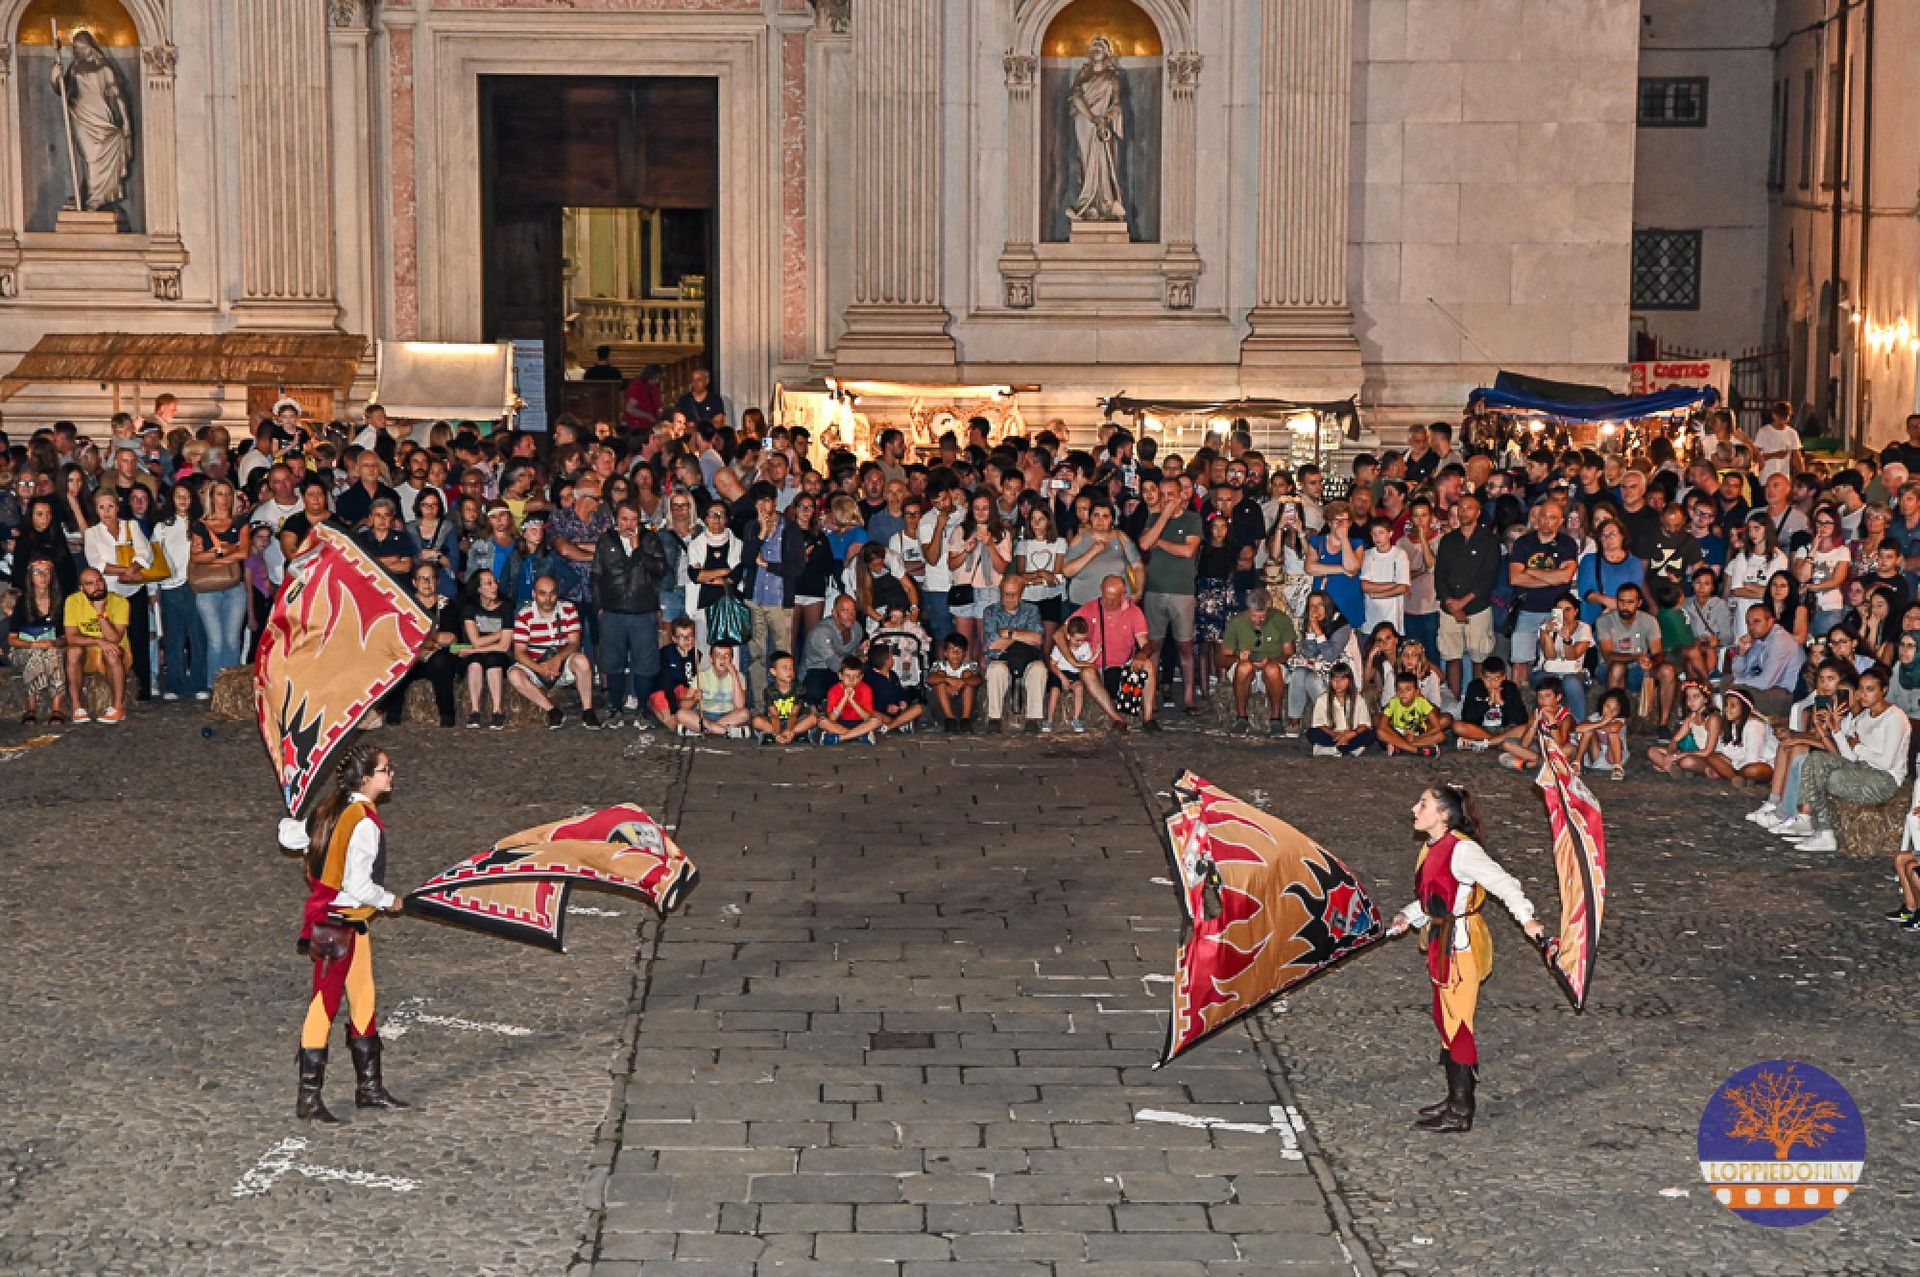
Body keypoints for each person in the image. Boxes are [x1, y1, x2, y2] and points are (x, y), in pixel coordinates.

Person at [1385, 784, 1547, 1134]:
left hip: (1460, 946)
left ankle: (1461, 1109)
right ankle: (1454, 1098)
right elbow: (1438, 898)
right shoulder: (1432, 847)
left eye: (1423, 804)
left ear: (1444, 815)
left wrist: (1528, 920)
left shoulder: (1463, 851)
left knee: (1458, 1024)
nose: (1415, 809)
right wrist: (1408, 916)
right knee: (1446, 1018)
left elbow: (1505, 884)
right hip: (1443, 940)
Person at [277, 744, 408, 1123]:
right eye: (385, 770)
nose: (390, 775)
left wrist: (297, 816)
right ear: (366, 779)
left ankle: (369, 1088)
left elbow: (290, 838)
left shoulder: (329, 809)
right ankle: (309, 1098)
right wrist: (390, 900)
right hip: (340, 923)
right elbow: (359, 885)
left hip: (345, 924)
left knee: (364, 998)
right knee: (324, 1005)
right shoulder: (362, 822)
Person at [1774, 665, 1910, 852]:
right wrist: (1836, 730)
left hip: (1885, 779)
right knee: (1815, 760)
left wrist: (1858, 747)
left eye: (1870, 690)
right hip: (1861, 768)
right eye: (1861, 689)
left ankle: (1820, 829)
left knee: (1831, 777)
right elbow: (1849, 757)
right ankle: (1815, 825)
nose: (1863, 695)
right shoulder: (1863, 718)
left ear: (1883, 691)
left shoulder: (1894, 717)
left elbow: (1886, 762)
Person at [592, 503, 670, 725]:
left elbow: (661, 569)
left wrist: (639, 550)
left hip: (642, 610)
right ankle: (616, 707)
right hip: (612, 611)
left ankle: (642, 709)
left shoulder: (650, 539)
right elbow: (597, 575)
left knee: (645, 663)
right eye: (624, 519)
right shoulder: (606, 540)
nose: (628, 524)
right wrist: (598, 607)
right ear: (616, 519)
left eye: (633, 519)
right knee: (613, 662)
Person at [1137, 479, 1203, 714]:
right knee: (1154, 645)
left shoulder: (1193, 519)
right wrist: (1163, 516)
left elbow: (1188, 551)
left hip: (1182, 592)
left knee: (1184, 646)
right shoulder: (1154, 519)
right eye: (1162, 494)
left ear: (1181, 495)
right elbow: (1145, 543)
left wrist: (1160, 541)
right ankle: (1150, 697)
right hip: (1155, 590)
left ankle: (1188, 698)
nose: (1167, 498)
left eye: (1171, 494)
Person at [83, 487, 154, 702]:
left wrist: (134, 567)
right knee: (114, 641)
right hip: (110, 593)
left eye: (110, 506)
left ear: (118, 506)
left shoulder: (130, 525)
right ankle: (116, 690)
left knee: (139, 639)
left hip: (134, 590)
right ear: (96, 509)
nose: (106, 511)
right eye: (101, 507)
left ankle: (143, 689)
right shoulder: (92, 533)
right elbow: (96, 563)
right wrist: (125, 570)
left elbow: (146, 552)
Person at [507, 575, 599, 729]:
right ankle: (552, 711)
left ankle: (588, 710)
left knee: (582, 661)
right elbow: (520, 651)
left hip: (563, 662)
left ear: (558, 593)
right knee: (514, 675)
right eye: (542, 593)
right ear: (534, 594)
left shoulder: (568, 609)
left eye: (552, 593)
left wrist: (557, 660)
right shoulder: (524, 614)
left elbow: (574, 642)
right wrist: (540, 669)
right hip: (537, 665)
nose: (548, 598)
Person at [1070, 573, 1160, 731]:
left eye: (1113, 598)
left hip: (1124, 668)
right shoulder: (1089, 608)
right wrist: (1073, 661)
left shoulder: (1134, 612)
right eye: (1105, 597)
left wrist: (1142, 654)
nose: (1108, 602)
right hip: (1099, 669)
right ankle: (1117, 719)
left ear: (1123, 595)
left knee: (1148, 665)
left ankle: (1148, 718)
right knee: (1086, 673)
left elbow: (1147, 645)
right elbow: (1059, 633)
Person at [1506, 500, 1580, 687]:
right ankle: (1520, 700)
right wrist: (1551, 577)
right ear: (1537, 519)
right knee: (1519, 661)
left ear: (1560, 521)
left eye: (1553, 517)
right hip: (1526, 609)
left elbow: (1565, 578)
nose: (1548, 521)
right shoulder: (1523, 542)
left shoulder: (1567, 544)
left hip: (1555, 611)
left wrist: (1530, 571)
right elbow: (1515, 578)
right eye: (1544, 516)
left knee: (1555, 660)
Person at [191, 478, 252, 680]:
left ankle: (230, 686)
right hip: (208, 589)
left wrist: (212, 558)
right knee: (215, 641)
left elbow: (244, 553)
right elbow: (196, 558)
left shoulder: (241, 522)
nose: (224, 499)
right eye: (220, 494)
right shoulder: (200, 525)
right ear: (212, 497)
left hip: (235, 586)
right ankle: (215, 683)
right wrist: (223, 552)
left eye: (228, 494)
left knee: (232, 640)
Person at [1220, 587, 1295, 737]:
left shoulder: (1281, 619)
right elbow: (1222, 657)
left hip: (1273, 667)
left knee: (1272, 669)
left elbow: (1289, 653)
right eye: (1254, 616)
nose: (1258, 621)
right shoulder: (1237, 622)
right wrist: (1238, 656)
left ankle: (1276, 720)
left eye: (1262, 617)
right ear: (1249, 610)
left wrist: (1271, 660)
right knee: (1244, 667)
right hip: (1246, 670)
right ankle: (1241, 718)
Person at [62, 566, 129, 723]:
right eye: (90, 583)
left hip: (115, 649)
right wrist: (98, 640)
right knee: (73, 652)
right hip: (88, 649)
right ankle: (77, 708)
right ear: (81, 588)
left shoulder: (120, 602)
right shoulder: (73, 601)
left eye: (99, 582)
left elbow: (114, 639)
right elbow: (71, 637)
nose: (97, 587)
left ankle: (118, 708)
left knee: (111, 653)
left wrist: (101, 614)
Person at [980, 577, 1047, 732]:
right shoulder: (990, 611)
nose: (1009, 598)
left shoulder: (1031, 610)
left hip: (1028, 660)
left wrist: (1007, 634)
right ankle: (994, 718)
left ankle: (1033, 718)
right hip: (1001, 660)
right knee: (996, 670)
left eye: (1013, 594)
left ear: (1021, 593)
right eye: (1006, 594)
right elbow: (992, 644)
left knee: (1039, 669)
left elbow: (1037, 639)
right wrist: (1022, 638)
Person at [9, 557, 68, 723]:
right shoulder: (23, 603)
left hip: (51, 648)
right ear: (30, 577)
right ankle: (31, 706)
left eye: (46, 572)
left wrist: (55, 643)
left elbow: (65, 637)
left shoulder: (59, 602)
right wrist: (34, 644)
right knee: (37, 653)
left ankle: (57, 707)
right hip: (24, 649)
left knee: (52, 652)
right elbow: (12, 639)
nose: (42, 576)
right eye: (37, 572)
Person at [1723, 602, 1806, 719]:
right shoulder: (1759, 639)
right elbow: (1739, 673)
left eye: (1756, 622)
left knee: (1734, 691)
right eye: (1748, 623)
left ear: (1770, 621)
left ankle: (1736, 728)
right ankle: (1733, 728)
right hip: (1771, 688)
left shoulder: (1780, 641)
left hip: (1786, 695)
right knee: (1727, 682)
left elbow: (1765, 682)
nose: (1751, 627)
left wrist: (1738, 681)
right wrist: (1741, 653)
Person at [458, 569, 515, 729]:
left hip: (498, 654)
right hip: (479, 652)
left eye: (495, 582)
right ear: (478, 589)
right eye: (488, 583)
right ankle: (475, 711)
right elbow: (475, 641)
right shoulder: (470, 608)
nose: (494, 586)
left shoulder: (506, 607)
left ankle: (497, 711)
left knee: (493, 661)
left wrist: (473, 649)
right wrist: (499, 634)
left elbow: (504, 646)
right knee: (474, 664)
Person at [1451, 656, 1527, 752]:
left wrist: (1502, 703)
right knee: (1456, 726)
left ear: (1503, 677)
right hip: (1481, 730)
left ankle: (1487, 742)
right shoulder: (1474, 686)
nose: (1492, 683)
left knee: (1526, 728)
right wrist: (1487, 704)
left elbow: (1522, 719)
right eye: (1488, 678)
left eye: (1496, 679)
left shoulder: (1510, 688)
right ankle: (1497, 742)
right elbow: (1467, 718)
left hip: (1506, 729)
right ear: (1482, 676)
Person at [801, 594, 866, 705]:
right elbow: (834, 664)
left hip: (844, 667)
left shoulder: (857, 628)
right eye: (845, 611)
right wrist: (855, 668)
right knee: (816, 691)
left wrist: (862, 653)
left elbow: (855, 653)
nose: (850, 615)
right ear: (835, 613)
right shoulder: (821, 632)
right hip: (818, 668)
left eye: (853, 611)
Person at [1376, 671, 1449, 757]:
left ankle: (1400, 747)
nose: (1403, 693)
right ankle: (1416, 750)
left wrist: (1416, 737)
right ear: (1396, 691)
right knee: (1380, 732)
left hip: (1418, 734)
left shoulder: (1422, 702)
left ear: (1416, 691)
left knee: (1441, 736)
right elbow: (1383, 726)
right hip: (1399, 734)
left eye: (1408, 689)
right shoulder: (1393, 702)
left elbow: (1437, 727)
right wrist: (1403, 737)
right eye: (1399, 690)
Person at [752, 651, 817, 745]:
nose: (789, 671)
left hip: (795, 722)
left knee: (813, 719)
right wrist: (777, 734)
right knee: (756, 721)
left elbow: (794, 714)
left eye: (791, 668)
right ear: (773, 672)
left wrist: (789, 732)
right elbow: (774, 716)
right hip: (775, 722)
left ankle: (785, 735)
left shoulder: (799, 689)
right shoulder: (769, 691)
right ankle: (783, 736)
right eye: (785, 668)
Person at [926, 633, 984, 731]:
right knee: (939, 677)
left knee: (968, 677)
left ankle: (965, 721)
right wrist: (948, 680)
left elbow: (978, 680)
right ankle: (950, 720)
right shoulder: (939, 665)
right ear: (945, 653)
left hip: (966, 709)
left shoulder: (971, 665)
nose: (955, 654)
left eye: (959, 650)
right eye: (952, 649)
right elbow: (929, 679)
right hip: (942, 711)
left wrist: (962, 682)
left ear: (964, 653)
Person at [819, 655, 883, 744]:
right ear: (840, 676)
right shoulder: (833, 690)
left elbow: (867, 717)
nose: (851, 680)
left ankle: (840, 738)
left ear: (861, 677)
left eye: (855, 676)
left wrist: (852, 701)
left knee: (876, 721)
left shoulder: (866, 689)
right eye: (847, 676)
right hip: (840, 723)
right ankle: (860, 736)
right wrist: (844, 698)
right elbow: (832, 718)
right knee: (823, 722)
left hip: (860, 723)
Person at [863, 642, 924, 734]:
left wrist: (903, 701)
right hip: (882, 714)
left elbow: (901, 692)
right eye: (891, 657)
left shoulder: (893, 675)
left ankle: (889, 727)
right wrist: (886, 708)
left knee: (918, 708)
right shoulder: (869, 679)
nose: (893, 659)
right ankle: (898, 724)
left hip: (898, 713)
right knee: (872, 713)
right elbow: (868, 703)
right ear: (886, 661)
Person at [693, 640, 750, 736]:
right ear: (711, 659)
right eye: (718, 655)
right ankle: (725, 731)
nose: (722, 659)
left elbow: (740, 706)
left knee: (745, 713)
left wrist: (734, 675)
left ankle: (706, 729)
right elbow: (684, 705)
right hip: (705, 714)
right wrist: (694, 698)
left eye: (726, 656)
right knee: (681, 714)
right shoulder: (702, 676)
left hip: (728, 715)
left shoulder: (739, 676)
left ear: (731, 659)